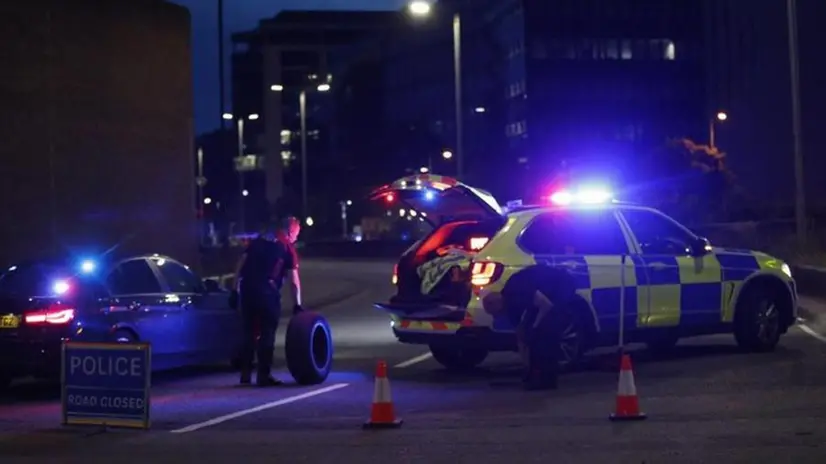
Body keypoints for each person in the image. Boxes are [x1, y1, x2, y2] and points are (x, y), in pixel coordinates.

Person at [229, 216, 303, 387]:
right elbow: (294, 281)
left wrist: (234, 291)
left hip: (247, 291)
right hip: (267, 294)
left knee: (248, 333)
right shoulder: (287, 249)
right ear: (291, 231)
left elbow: (240, 266)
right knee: (267, 335)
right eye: (297, 234)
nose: (297, 237)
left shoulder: (257, 241)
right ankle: (263, 376)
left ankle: (245, 375)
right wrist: (297, 305)